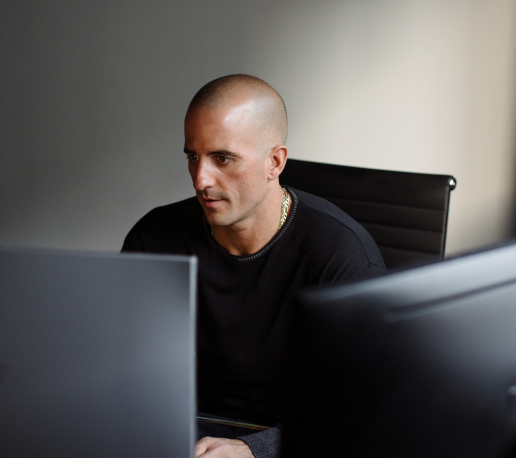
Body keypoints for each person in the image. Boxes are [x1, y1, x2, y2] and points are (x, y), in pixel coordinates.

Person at [122, 74, 386, 458]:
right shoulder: (154, 239)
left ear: (274, 162)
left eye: (222, 158)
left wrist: (253, 450)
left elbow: (359, 409)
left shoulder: (342, 256)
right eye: (193, 156)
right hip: (180, 437)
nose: (200, 179)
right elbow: (123, 373)